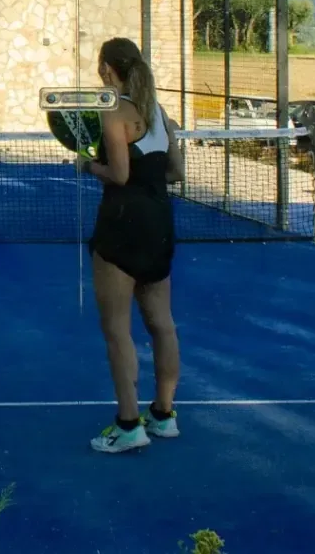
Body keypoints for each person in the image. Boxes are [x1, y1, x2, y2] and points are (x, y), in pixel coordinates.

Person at [79, 38, 182, 454]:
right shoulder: (160, 115)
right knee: (162, 324)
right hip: (160, 224)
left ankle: (127, 424)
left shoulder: (114, 112)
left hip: (122, 226)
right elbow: (174, 172)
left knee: (117, 330)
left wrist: (88, 165)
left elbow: (119, 174)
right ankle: (164, 415)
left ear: (107, 69)